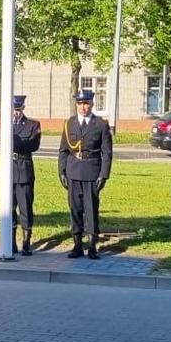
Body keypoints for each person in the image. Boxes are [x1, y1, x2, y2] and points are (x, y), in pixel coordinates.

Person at [57, 90, 113, 258]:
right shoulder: (69, 124)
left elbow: (107, 153)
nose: (83, 107)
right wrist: (62, 171)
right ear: (76, 105)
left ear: (92, 104)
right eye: (80, 104)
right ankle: (77, 245)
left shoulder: (101, 125)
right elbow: (63, 151)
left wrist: (104, 175)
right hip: (73, 171)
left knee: (91, 210)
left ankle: (92, 245)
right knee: (75, 209)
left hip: (91, 172)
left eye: (86, 103)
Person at [0, 96, 43, 255]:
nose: (16, 113)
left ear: (23, 108)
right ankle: (11, 240)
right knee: (9, 207)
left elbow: (33, 145)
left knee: (25, 207)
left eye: (18, 109)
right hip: (8, 169)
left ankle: (26, 241)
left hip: (23, 168)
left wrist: (13, 140)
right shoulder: (2, 124)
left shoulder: (33, 125)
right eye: (13, 110)